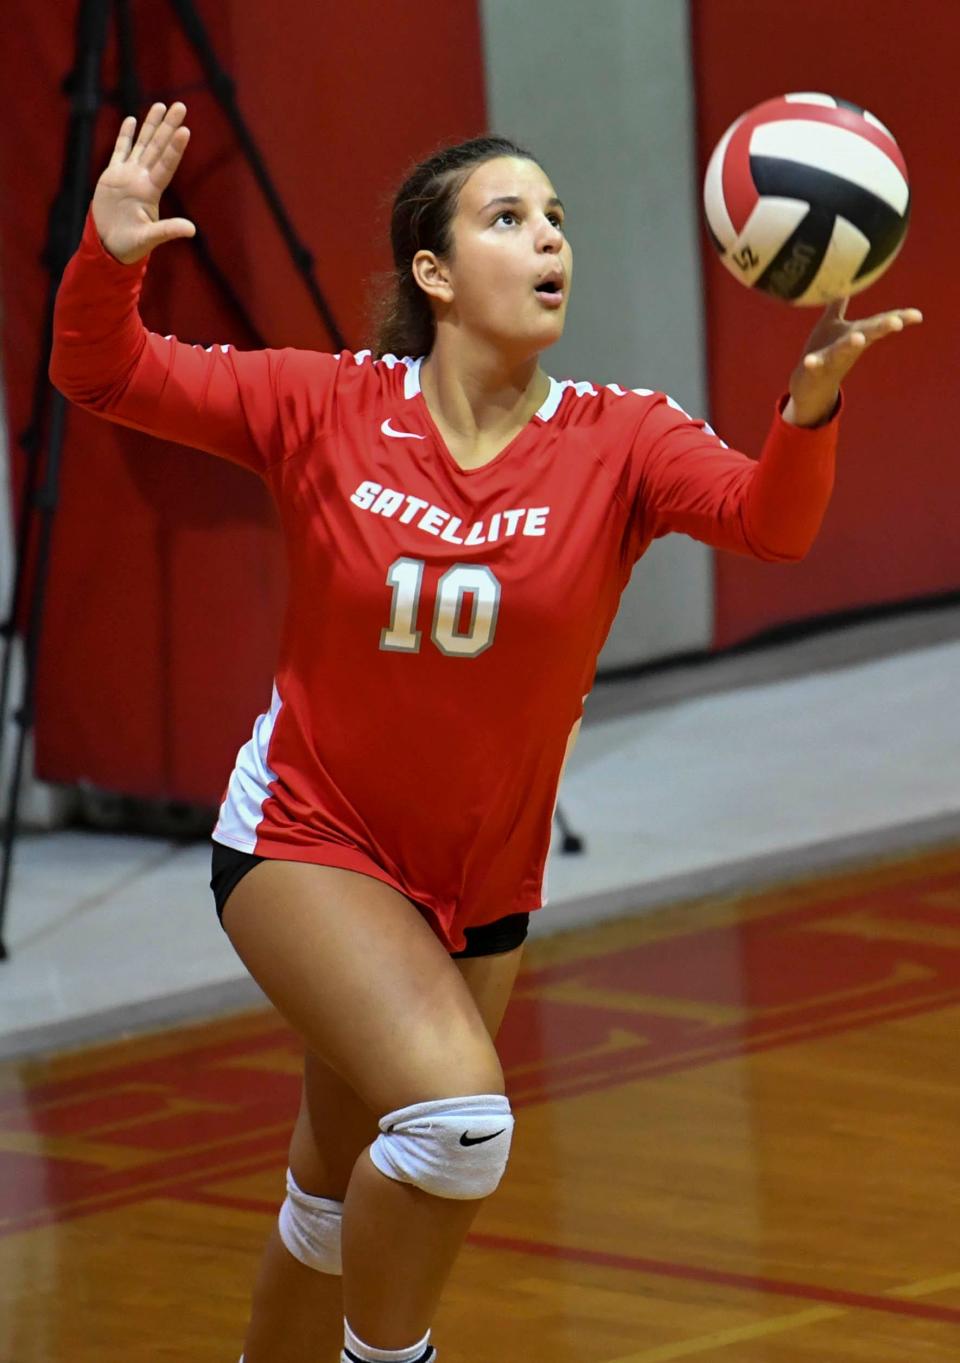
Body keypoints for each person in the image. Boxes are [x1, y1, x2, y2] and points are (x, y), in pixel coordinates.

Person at [49, 101, 921, 1363]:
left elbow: (766, 523)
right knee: (459, 1125)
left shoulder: (622, 438)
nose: (549, 238)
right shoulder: (327, 407)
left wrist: (810, 409)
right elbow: (105, 372)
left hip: (478, 883)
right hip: (306, 838)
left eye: (558, 218)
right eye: (508, 218)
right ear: (435, 272)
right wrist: (111, 255)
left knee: (330, 1192)